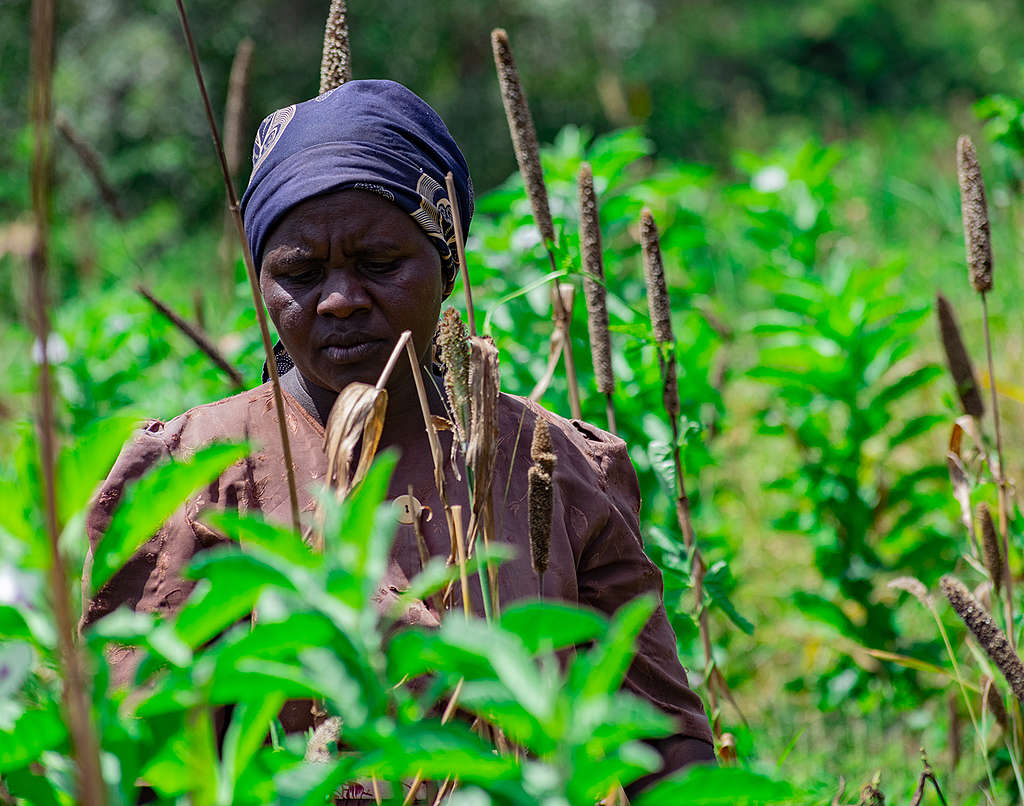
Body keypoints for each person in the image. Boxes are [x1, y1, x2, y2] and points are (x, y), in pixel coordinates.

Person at [82, 79, 714, 796]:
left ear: (447, 266)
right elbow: (136, 751)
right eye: (300, 272)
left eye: (379, 264)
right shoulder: (193, 471)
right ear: (261, 282)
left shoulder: (549, 462)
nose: (342, 298)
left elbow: (663, 738)